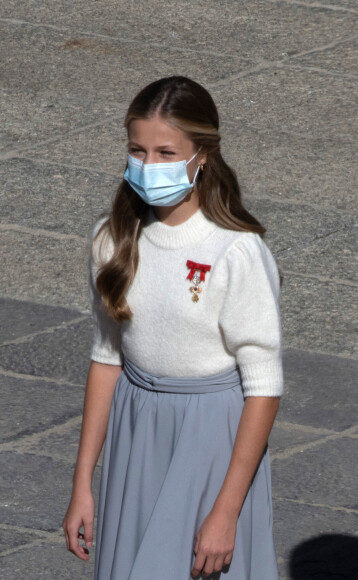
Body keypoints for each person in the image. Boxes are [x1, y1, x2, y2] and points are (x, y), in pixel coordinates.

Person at [62, 76, 283, 579]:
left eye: (166, 152)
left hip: (212, 436)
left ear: (201, 156)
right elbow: (106, 357)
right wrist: (83, 484)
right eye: (138, 151)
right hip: (136, 428)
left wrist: (226, 511)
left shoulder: (235, 250)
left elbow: (264, 387)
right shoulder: (110, 239)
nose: (149, 165)